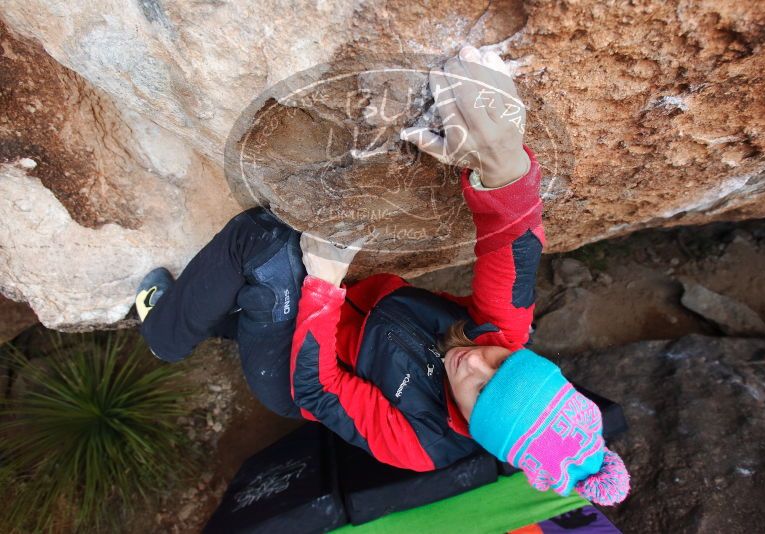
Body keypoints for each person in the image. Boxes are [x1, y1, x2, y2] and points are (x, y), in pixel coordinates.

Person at [134, 45, 629, 506]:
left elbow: (318, 389)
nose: (476, 362)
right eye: (504, 366)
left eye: (481, 390)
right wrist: (503, 163)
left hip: (291, 372)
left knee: (264, 245)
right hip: (341, 315)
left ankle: (164, 335)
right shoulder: (503, 335)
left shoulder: (420, 445)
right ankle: (229, 316)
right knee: (252, 301)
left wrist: (324, 287)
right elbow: (515, 248)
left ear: (479, 428)